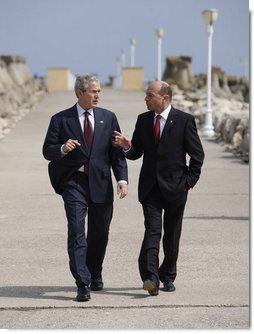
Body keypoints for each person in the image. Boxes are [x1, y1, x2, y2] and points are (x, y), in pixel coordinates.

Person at [113, 80, 204, 296]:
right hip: (151, 187)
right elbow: (137, 152)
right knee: (152, 231)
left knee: (172, 234)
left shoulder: (184, 121)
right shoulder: (143, 120)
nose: (146, 99)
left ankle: (168, 275)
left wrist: (188, 183)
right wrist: (128, 146)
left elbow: (197, 156)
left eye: (150, 95)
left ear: (165, 98)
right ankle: (150, 277)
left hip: (176, 188)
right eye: (146, 95)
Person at [43, 74, 128, 302]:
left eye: (99, 91)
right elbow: (47, 151)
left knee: (100, 233)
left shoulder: (109, 118)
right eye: (93, 91)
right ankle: (82, 282)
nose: (97, 95)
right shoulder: (60, 119)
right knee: (77, 232)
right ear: (79, 93)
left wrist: (122, 179)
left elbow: (116, 153)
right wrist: (62, 148)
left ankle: (94, 271)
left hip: (101, 183)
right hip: (74, 183)